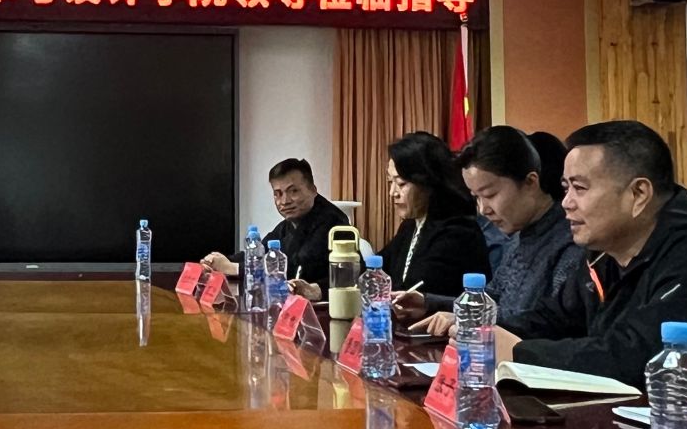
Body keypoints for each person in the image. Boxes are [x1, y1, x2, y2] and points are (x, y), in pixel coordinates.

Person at [490, 120, 687, 383]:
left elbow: (637, 357)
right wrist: (487, 335)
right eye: (565, 188)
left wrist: (519, 353)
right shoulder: (604, 252)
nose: (566, 203)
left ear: (638, 194)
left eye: (579, 188)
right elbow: (553, 319)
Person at [415, 126, 583, 335]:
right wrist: (429, 303)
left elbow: (548, 325)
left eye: (490, 195)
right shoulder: (519, 237)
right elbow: (491, 298)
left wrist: (468, 319)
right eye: (476, 197)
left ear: (530, 182)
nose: (483, 209)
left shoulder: (572, 242)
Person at [198, 157, 350, 302]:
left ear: (313, 190)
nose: (285, 201)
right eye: (278, 194)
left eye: (294, 191)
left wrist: (234, 268)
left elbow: (296, 268)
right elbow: (259, 252)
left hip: (325, 312)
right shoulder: (290, 223)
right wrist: (218, 263)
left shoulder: (333, 221)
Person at [379, 131, 487, 318]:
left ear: (428, 183)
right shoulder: (410, 226)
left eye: (401, 184)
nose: (392, 193)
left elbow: (417, 289)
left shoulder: (458, 232)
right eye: (390, 182)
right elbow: (378, 269)